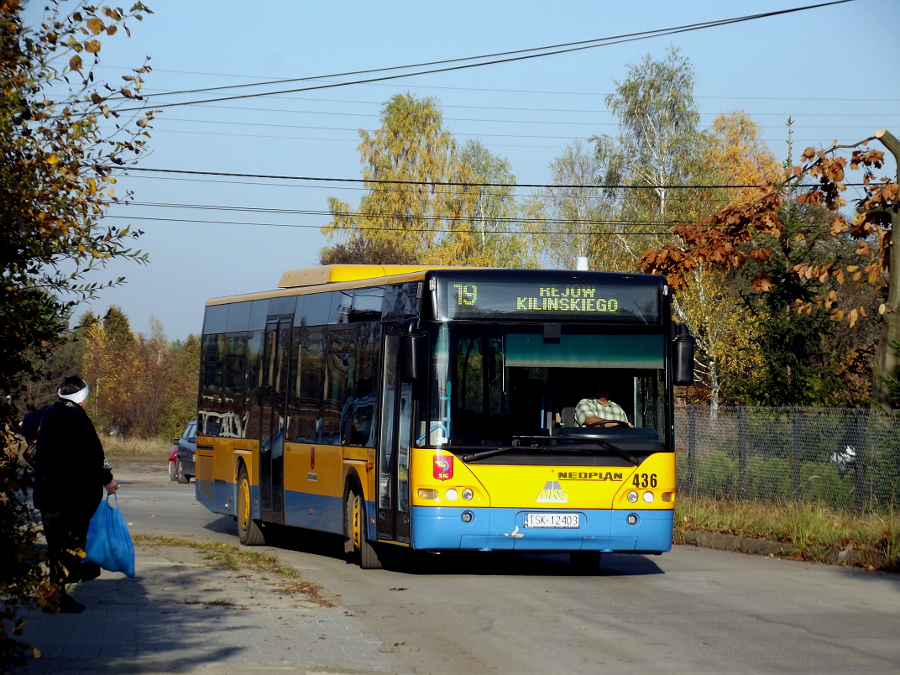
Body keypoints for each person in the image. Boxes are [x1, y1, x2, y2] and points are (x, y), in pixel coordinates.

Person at [21, 376, 118, 613]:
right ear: (82, 398)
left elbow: (25, 423)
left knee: (56, 547)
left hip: (47, 495)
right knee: (71, 548)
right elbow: (93, 459)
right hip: (71, 499)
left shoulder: (45, 413)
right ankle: (59, 594)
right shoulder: (78, 420)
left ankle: (56, 597)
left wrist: (38, 443)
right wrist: (109, 481)